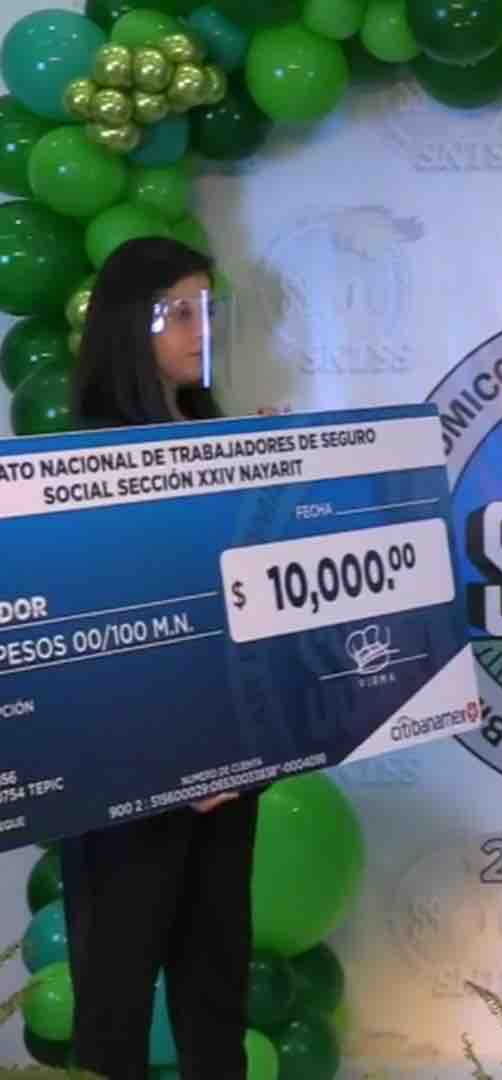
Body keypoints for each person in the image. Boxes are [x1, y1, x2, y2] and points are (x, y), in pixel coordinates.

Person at [63, 236, 257, 1080]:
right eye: (178, 311)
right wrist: (174, 762)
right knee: (115, 1008)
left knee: (216, 1001)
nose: (198, 329)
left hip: (231, 773)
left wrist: (278, 487)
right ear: (126, 324)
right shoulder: (81, 461)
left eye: (206, 309)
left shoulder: (226, 440)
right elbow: (89, 636)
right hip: (125, 780)